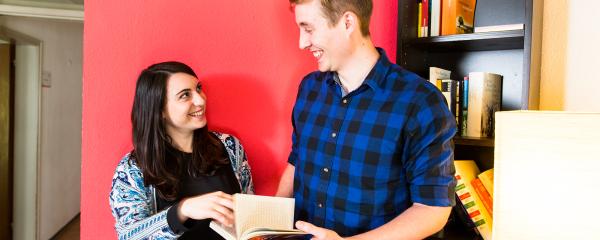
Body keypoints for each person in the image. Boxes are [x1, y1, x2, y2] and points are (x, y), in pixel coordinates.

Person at [276, 0, 457, 239]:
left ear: (348, 23)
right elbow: (297, 160)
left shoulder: (421, 102)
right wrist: (267, 222)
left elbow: (433, 209)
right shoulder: (309, 88)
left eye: (309, 29)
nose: (302, 42)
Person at [109, 61, 254, 239]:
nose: (201, 100)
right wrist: (181, 211)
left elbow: (249, 214)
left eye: (199, 88)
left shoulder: (230, 147)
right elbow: (128, 235)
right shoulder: (132, 170)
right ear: (159, 109)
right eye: (185, 95)